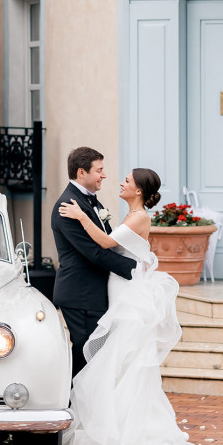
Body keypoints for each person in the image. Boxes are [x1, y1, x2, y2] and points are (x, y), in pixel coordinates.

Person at [55, 167, 215, 445]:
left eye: (127, 180)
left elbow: (103, 242)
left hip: (129, 297)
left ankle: (124, 432)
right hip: (119, 290)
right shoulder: (133, 215)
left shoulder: (140, 217)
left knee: (124, 358)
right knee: (117, 360)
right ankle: (113, 423)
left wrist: (81, 215)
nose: (121, 182)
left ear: (138, 190)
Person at [51, 147, 137, 377]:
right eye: (99, 170)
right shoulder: (66, 207)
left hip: (94, 292)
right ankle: (71, 403)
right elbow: (94, 253)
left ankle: (80, 404)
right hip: (80, 293)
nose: (104, 175)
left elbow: (107, 241)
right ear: (82, 172)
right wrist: (135, 269)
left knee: (93, 352)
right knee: (86, 352)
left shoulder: (89, 202)